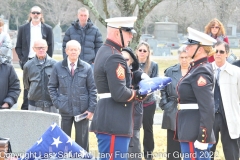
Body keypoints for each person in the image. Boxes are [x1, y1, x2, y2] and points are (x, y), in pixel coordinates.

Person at [90, 17, 147, 160]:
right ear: (117, 33)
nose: (131, 36)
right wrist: (140, 94)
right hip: (114, 122)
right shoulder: (115, 57)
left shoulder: (106, 51)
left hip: (111, 120)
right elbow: (120, 93)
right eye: (128, 32)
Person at [174, 27, 217, 160]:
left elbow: (207, 107)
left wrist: (203, 137)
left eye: (190, 44)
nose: (186, 47)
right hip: (188, 128)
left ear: (201, 48)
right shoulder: (196, 68)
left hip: (195, 132)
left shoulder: (201, 71)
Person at [48, 40, 97, 151]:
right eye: (71, 49)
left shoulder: (87, 67)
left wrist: (91, 109)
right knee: (63, 141)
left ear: (79, 51)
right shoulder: (58, 67)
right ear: (66, 51)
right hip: (64, 109)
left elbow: (93, 89)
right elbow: (51, 86)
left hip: (82, 110)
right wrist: (58, 103)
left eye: (76, 49)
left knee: (82, 142)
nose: (73, 52)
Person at [15, 6, 54, 110]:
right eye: (33, 13)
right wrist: (23, 60)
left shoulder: (48, 29)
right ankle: (26, 111)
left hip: (44, 62)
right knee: (28, 88)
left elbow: (50, 46)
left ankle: (44, 109)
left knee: (43, 87)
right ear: (30, 14)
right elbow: (18, 46)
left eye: (38, 13)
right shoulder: (23, 28)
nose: (35, 15)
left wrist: (47, 60)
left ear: (41, 15)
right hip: (28, 61)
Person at [159, 45, 190, 160]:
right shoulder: (170, 71)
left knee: (187, 145)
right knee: (173, 149)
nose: (184, 60)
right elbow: (163, 89)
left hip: (189, 111)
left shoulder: (195, 71)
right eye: (182, 57)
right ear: (178, 57)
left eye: (186, 57)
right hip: (172, 110)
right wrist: (165, 105)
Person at [210, 41, 240, 160]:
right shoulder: (205, 70)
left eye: (221, 51)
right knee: (207, 151)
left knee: (231, 152)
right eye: (216, 51)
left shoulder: (236, 72)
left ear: (227, 54)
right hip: (210, 117)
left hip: (229, 116)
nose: (218, 54)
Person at [135, 41, 158, 160]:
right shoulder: (132, 65)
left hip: (149, 102)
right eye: (140, 50)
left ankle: (148, 154)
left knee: (148, 129)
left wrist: (144, 95)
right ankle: (135, 152)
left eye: (145, 51)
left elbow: (154, 84)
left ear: (148, 53)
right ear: (136, 51)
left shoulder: (153, 65)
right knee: (135, 129)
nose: (142, 53)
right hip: (134, 102)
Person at [121, 47, 145, 160]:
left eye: (126, 60)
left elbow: (139, 75)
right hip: (118, 114)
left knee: (134, 141)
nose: (123, 62)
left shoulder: (136, 74)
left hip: (134, 113)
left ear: (131, 61)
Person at [23, 39, 57, 113]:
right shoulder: (28, 65)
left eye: (43, 48)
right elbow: (27, 85)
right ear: (33, 49)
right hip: (34, 105)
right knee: (34, 124)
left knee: (52, 124)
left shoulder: (55, 65)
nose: (41, 50)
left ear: (47, 48)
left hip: (52, 104)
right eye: (38, 48)